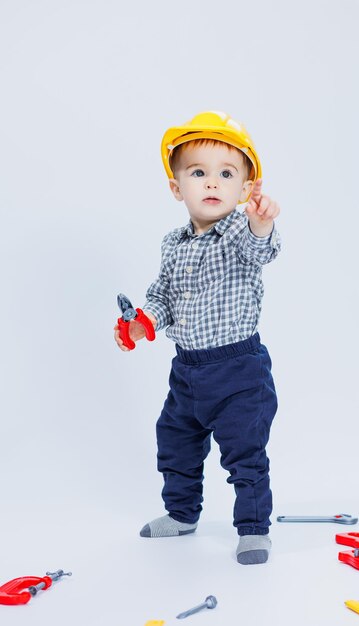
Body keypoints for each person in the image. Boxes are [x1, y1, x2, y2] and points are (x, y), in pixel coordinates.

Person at [114, 111, 281, 564]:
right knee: (174, 441)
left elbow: (262, 247)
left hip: (238, 370)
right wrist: (143, 321)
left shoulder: (238, 233)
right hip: (187, 371)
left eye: (227, 174)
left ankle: (252, 529)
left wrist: (261, 223)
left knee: (244, 452)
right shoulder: (173, 243)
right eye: (198, 172)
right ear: (177, 187)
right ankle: (182, 513)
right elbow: (164, 294)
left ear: (245, 189)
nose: (213, 182)